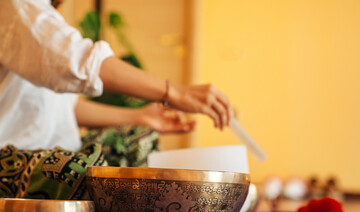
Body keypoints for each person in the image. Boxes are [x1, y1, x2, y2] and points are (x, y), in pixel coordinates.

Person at [0, 0, 233, 200]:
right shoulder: (13, 6)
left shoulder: (39, 12)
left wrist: (139, 117)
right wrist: (172, 91)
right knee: (82, 174)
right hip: (10, 160)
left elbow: (65, 108)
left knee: (136, 142)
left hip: (55, 151)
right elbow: (80, 61)